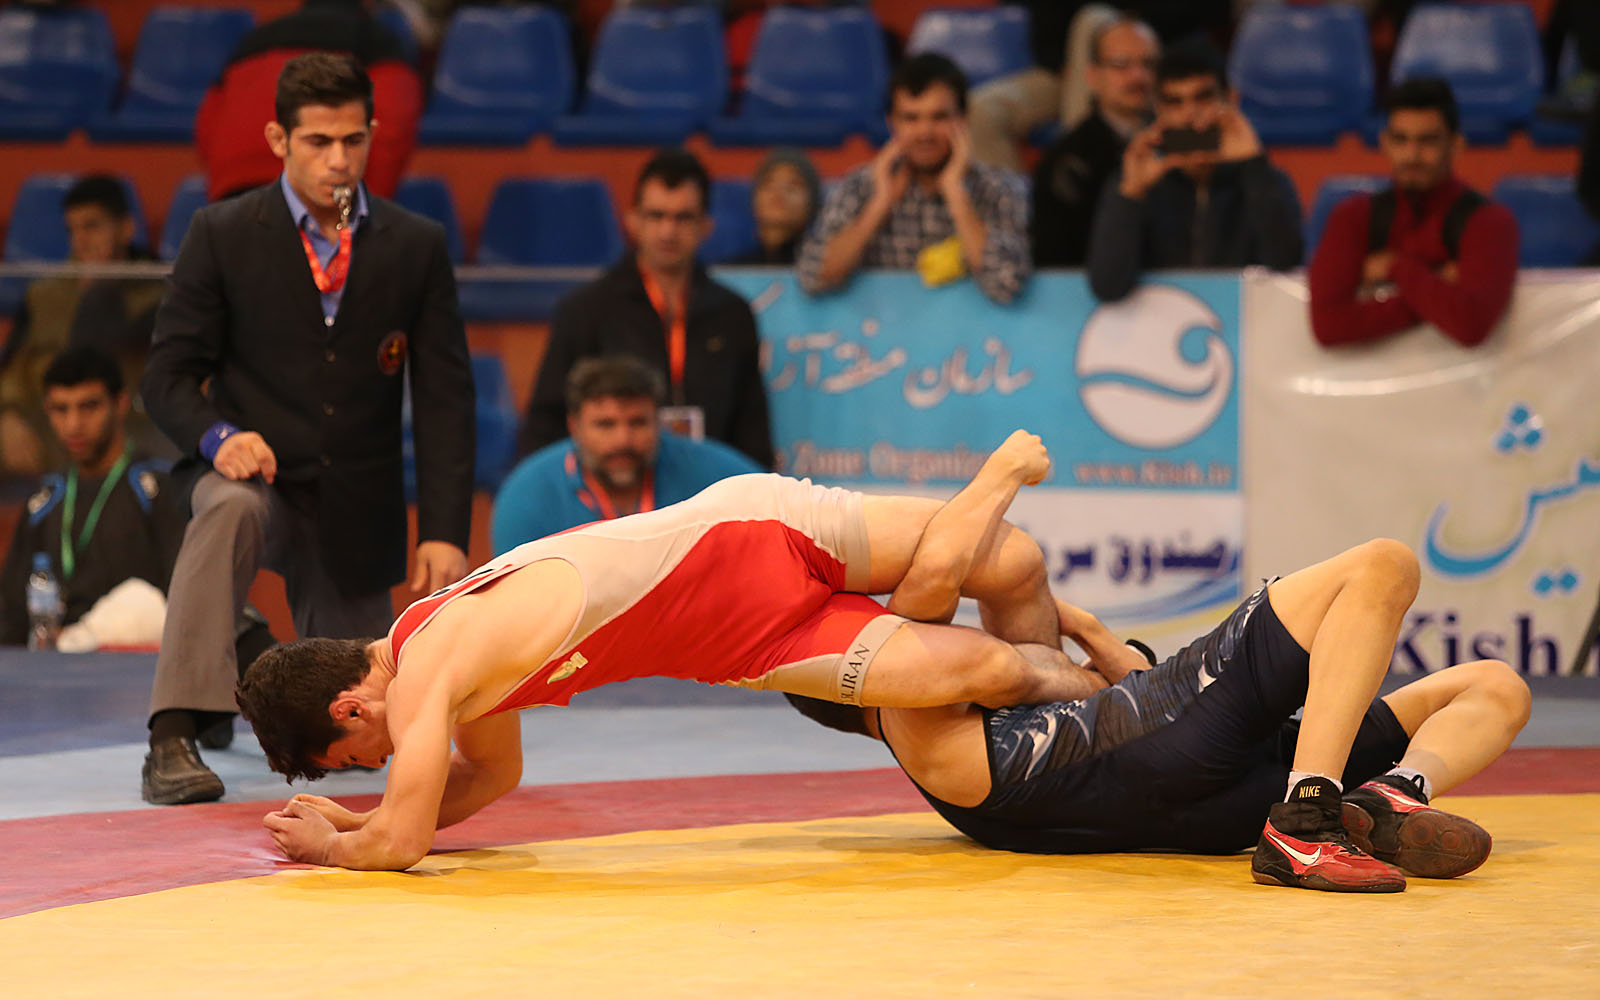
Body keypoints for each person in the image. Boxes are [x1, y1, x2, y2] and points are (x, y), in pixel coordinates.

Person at [240, 431, 1116, 870]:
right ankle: (1119, 699)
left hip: (751, 529)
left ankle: (1097, 709)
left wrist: (336, 845)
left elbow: (404, 837)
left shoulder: (424, 670)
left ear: (349, 707)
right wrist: (358, 822)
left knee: (1012, 561)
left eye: (361, 758)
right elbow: (487, 777)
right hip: (753, 637)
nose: (386, 760)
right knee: (992, 668)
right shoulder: (445, 659)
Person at [785, 528, 1531, 893]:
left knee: (1496, 687)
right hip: (1187, 744)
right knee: (1383, 565)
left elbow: (1121, 702)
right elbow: (942, 568)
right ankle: (1309, 817)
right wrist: (1005, 469)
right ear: (861, 677)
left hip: (1217, 793)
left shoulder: (956, 740)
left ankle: (1387, 796)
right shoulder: (912, 720)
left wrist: (1090, 630)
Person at [139, 53, 475, 806]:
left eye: (353, 140)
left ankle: (245, 657)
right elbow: (164, 378)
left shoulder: (413, 245)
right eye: (318, 141)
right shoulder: (223, 233)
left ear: (373, 135)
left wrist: (444, 530)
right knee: (228, 507)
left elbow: (446, 398)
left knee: (356, 738)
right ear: (277, 139)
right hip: (253, 479)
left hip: (354, 502)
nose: (338, 161)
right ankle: (172, 734)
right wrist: (218, 437)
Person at [518, 149, 774, 469]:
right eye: (656, 216)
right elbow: (546, 423)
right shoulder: (586, 309)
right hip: (615, 487)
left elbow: (752, 429)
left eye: (683, 218)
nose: (668, 231)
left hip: (711, 484)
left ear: (706, 226)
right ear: (633, 221)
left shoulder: (733, 314)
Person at [797, 53, 1031, 305]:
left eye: (939, 117)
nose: (925, 132)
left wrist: (955, 192)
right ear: (891, 123)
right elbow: (812, 277)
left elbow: (1006, 285)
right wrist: (880, 204)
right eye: (911, 118)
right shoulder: (861, 186)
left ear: (963, 119)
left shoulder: (999, 188)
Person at [1087, 39, 1302, 303]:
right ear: (1159, 110)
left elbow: (1287, 266)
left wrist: (1254, 167)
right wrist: (1131, 195)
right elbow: (1108, 286)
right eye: (1174, 102)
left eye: (1204, 97)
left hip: (1250, 321)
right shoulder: (1135, 183)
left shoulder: (1266, 179)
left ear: (1230, 99)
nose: (1190, 114)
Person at [1310, 79, 1519, 348]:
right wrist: (1437, 285)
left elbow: (1471, 324)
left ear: (1456, 145)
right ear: (1385, 143)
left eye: (1428, 141)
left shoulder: (1490, 222)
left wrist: (1395, 267)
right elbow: (1328, 325)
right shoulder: (1352, 216)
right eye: (1400, 139)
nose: (1412, 155)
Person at [491, 356, 763, 551]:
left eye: (638, 422)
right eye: (605, 425)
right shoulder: (527, 496)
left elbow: (776, 517)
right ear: (574, 427)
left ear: (658, 422)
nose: (623, 440)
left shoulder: (717, 474)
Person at [1, 176, 166, 478]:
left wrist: (101, 291)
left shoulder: (160, 295)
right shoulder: (44, 295)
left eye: (92, 226)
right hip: (45, 434)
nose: (80, 241)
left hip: (130, 432)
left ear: (126, 229)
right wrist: (7, 417)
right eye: (72, 230)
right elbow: (10, 370)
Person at [195, 0, 422, 202]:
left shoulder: (252, 42)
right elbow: (392, 125)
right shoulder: (376, 41)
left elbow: (208, 121)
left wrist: (224, 181)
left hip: (236, 189)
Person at [1031, 17, 1159, 268]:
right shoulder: (1065, 160)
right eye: (1121, 64)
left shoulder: (1180, 143)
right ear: (1092, 75)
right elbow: (1055, 260)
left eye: (1148, 63)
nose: (1138, 76)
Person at [730, 148, 821, 266]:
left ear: (812, 201)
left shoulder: (824, 269)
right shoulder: (730, 270)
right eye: (769, 183)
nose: (779, 193)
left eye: (793, 185)